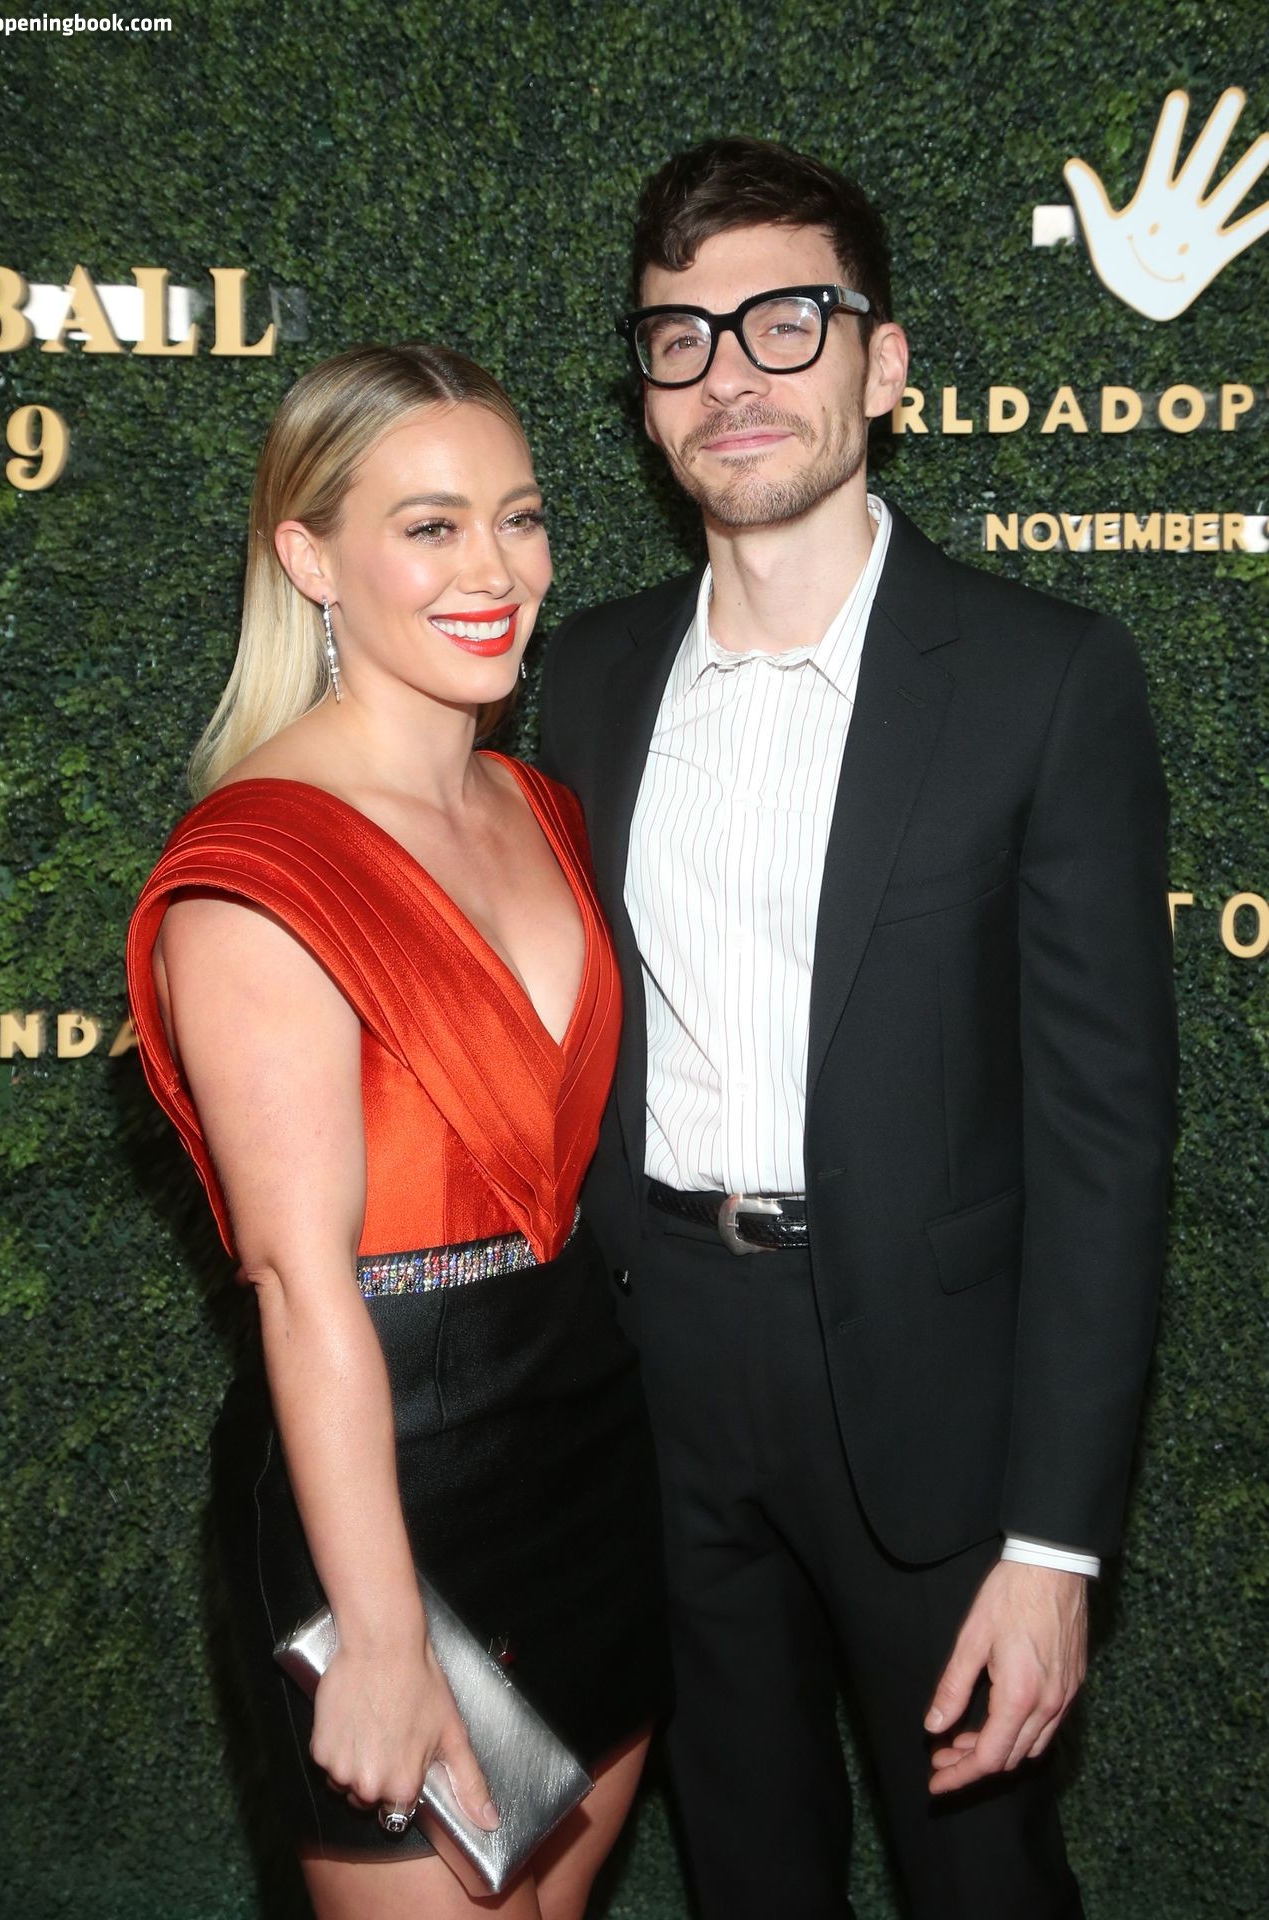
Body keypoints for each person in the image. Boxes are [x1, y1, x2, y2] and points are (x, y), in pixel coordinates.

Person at [538, 138, 1178, 1920]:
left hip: (935, 1398)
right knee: (743, 1870)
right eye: (682, 338)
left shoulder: (1045, 677)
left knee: (982, 1881)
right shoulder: (585, 677)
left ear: (885, 366)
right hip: (657, 1375)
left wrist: (1055, 1544)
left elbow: (1106, 1143)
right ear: (646, 397)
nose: (731, 373)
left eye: (788, 321)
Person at [126, 343, 670, 1920]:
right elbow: (302, 1288)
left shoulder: (541, 808)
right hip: (388, 1491)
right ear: (310, 558)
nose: (496, 571)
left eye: (520, 516)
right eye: (430, 527)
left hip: (590, 1451)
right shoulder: (258, 871)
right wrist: (376, 1633)